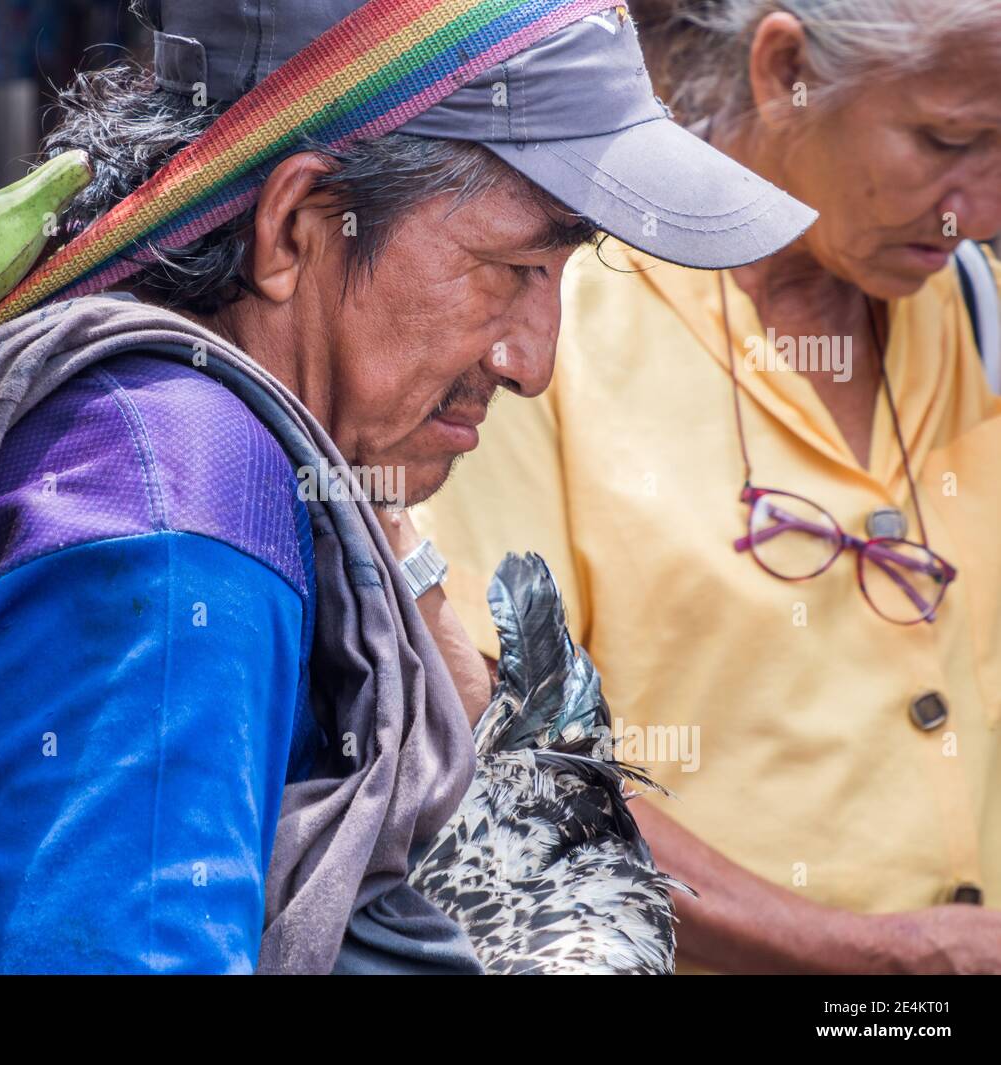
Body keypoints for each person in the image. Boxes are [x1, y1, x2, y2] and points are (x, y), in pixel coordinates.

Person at [0, 0, 812, 974]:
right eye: (515, 268)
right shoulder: (176, 520)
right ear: (298, 228)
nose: (532, 359)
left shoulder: (165, 442)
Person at [414, 0, 1001, 974]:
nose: (978, 206)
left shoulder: (973, 307)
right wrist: (866, 958)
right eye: (946, 139)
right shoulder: (552, 320)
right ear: (782, 71)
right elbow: (501, 763)